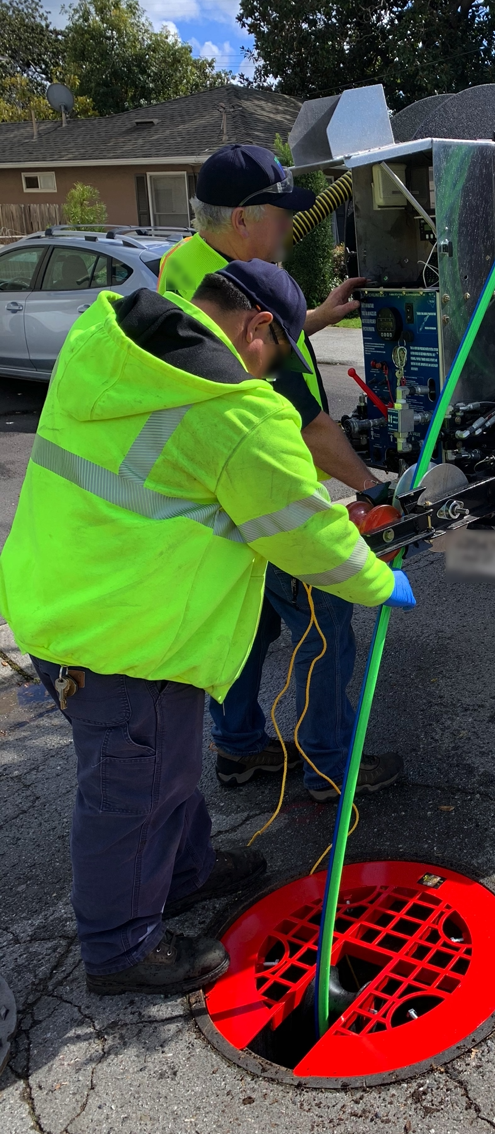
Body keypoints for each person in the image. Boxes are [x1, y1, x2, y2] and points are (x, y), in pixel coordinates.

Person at [0, 260, 417, 996]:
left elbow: (163, 485)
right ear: (258, 327)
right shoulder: (234, 414)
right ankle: (121, 948)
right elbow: (306, 538)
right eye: (277, 355)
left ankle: (184, 873)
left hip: (59, 599)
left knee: (161, 770)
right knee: (129, 796)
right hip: (124, 639)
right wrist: (380, 580)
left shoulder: (107, 340)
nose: (267, 374)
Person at [158, 143, 400, 802]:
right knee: (326, 623)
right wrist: (377, 490)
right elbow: (310, 428)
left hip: (213, 504)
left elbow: (259, 334)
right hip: (256, 493)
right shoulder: (228, 297)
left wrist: (316, 314)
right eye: (279, 214)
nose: (288, 228)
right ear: (242, 219)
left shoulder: (188, 267)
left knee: (252, 623)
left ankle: (237, 751)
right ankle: (328, 765)